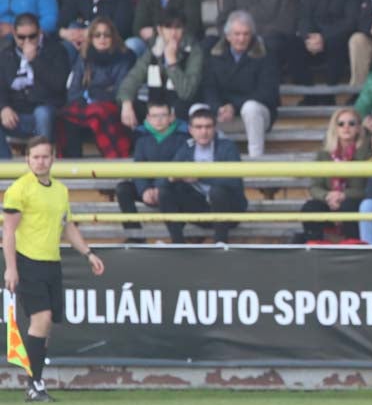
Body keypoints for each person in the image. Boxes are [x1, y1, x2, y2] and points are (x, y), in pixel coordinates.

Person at [2, 136, 106, 402]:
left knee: (46, 326)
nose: (40, 161)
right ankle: (34, 383)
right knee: (42, 318)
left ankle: (35, 383)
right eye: (35, 157)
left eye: (45, 156)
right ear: (27, 159)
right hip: (28, 261)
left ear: (53, 158)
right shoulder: (19, 189)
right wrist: (10, 268)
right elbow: (9, 231)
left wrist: (88, 253)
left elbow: (67, 226)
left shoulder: (60, 190)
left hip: (51, 262)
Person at [158, 106, 248, 244]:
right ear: (190, 130)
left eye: (208, 127)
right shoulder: (186, 148)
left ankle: (220, 243)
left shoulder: (227, 147)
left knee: (218, 192)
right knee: (165, 192)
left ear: (215, 128)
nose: (203, 132)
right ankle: (177, 243)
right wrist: (172, 178)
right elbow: (166, 177)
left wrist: (200, 177)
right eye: (198, 127)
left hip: (229, 212)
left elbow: (234, 181)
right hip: (200, 209)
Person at [202, 10, 280, 158]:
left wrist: (234, 106)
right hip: (224, 115)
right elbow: (209, 88)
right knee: (197, 110)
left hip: (257, 116)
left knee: (250, 108)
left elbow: (266, 93)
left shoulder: (265, 54)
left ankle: (256, 160)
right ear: (228, 35)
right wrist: (218, 108)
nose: (241, 38)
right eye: (237, 34)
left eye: (246, 34)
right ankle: (206, 160)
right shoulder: (214, 54)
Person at [57, 17, 135, 159]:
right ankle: (71, 160)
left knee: (99, 112)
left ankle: (113, 157)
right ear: (91, 38)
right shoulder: (84, 56)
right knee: (65, 113)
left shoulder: (124, 57)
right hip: (87, 102)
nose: (102, 39)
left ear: (113, 37)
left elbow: (120, 90)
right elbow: (74, 88)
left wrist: (96, 94)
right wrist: (86, 96)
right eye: (97, 35)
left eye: (106, 35)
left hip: (111, 104)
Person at [115, 99, 188, 242]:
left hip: (170, 188)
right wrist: (144, 190)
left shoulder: (182, 140)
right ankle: (135, 237)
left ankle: (177, 240)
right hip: (148, 189)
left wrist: (159, 188)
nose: (159, 120)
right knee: (123, 189)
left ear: (171, 117)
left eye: (163, 115)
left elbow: (177, 167)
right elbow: (138, 168)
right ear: (148, 118)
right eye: (154, 116)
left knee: (177, 189)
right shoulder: (142, 141)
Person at [117, 10, 204, 129]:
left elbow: (187, 93)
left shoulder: (194, 51)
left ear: (183, 29)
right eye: (168, 27)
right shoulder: (154, 50)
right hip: (156, 106)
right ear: (160, 30)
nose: (173, 33)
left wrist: (172, 62)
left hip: (180, 107)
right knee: (126, 106)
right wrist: (126, 104)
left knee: (179, 108)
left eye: (177, 27)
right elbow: (132, 78)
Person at [0, 12, 69, 159]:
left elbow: (58, 85)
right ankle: (5, 168)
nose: (27, 41)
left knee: (42, 113)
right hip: (16, 114)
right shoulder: (5, 55)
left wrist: (35, 61)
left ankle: (42, 161)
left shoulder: (56, 51)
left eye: (32, 36)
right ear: (13, 33)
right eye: (21, 37)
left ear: (40, 32)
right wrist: (4, 107)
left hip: (47, 111)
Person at [299, 106, 372, 243]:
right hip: (329, 201)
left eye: (351, 123)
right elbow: (315, 186)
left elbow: (369, 189)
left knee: (348, 206)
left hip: (354, 201)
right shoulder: (323, 154)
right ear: (335, 128)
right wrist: (327, 196)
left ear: (358, 128)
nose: (346, 127)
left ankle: (353, 244)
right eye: (341, 124)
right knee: (310, 207)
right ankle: (315, 245)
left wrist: (344, 195)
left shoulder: (368, 153)